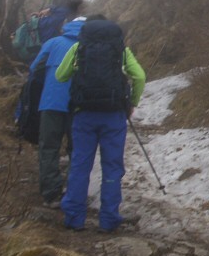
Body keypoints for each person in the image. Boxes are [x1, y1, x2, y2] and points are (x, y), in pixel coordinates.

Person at [55, 15, 146, 232]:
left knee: (79, 165)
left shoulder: (79, 48)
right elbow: (140, 77)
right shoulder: (121, 50)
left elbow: (60, 76)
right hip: (113, 115)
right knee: (112, 167)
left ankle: (74, 218)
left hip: (83, 114)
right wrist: (131, 103)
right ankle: (109, 219)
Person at [27, 0, 85, 207]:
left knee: (49, 148)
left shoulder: (53, 43)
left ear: (66, 27)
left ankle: (51, 194)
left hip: (50, 102)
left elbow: (34, 70)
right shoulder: (87, 46)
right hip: (78, 106)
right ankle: (74, 192)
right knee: (76, 149)